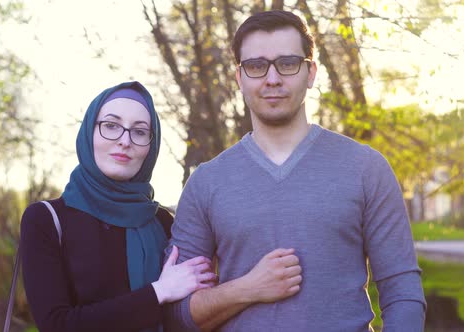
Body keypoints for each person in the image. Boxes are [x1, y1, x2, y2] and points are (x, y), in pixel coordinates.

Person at [165, 10, 426, 332]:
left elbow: (402, 291)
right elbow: (178, 315)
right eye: (256, 66)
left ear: (311, 72)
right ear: (239, 78)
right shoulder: (206, 183)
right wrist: (247, 288)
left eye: (287, 63)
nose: (272, 79)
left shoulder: (366, 168)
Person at [20, 81, 217, 331]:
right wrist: (159, 292)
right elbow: (57, 324)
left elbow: (185, 317)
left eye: (140, 131)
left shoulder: (164, 223)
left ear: (152, 146)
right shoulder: (45, 219)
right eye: (111, 126)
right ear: (88, 133)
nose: (125, 141)